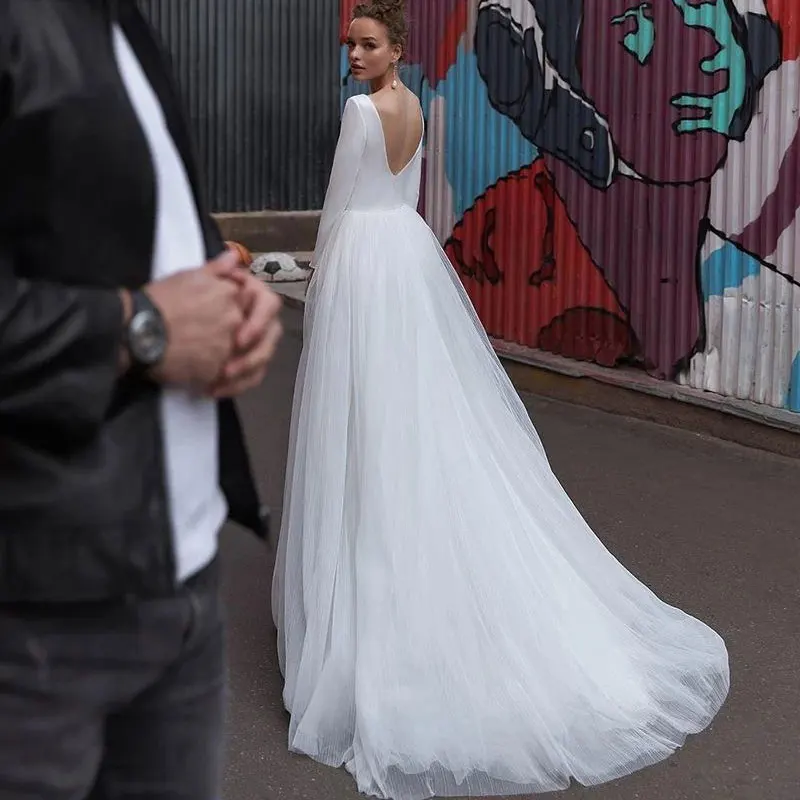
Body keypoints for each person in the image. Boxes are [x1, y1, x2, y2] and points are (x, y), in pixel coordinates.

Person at [271, 1, 729, 798]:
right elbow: (407, 195)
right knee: (417, 416)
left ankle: (372, 590)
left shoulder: (361, 112)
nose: (355, 55)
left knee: (366, 423)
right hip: (409, 260)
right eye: (351, 44)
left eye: (368, 44)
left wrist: (320, 275)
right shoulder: (414, 107)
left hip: (365, 265)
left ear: (396, 48)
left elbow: (341, 205)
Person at [0, 1, 281, 798]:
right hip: (36, 618)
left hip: (182, 587)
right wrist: (140, 329)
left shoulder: (118, 20)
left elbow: (123, 230)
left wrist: (232, 300)